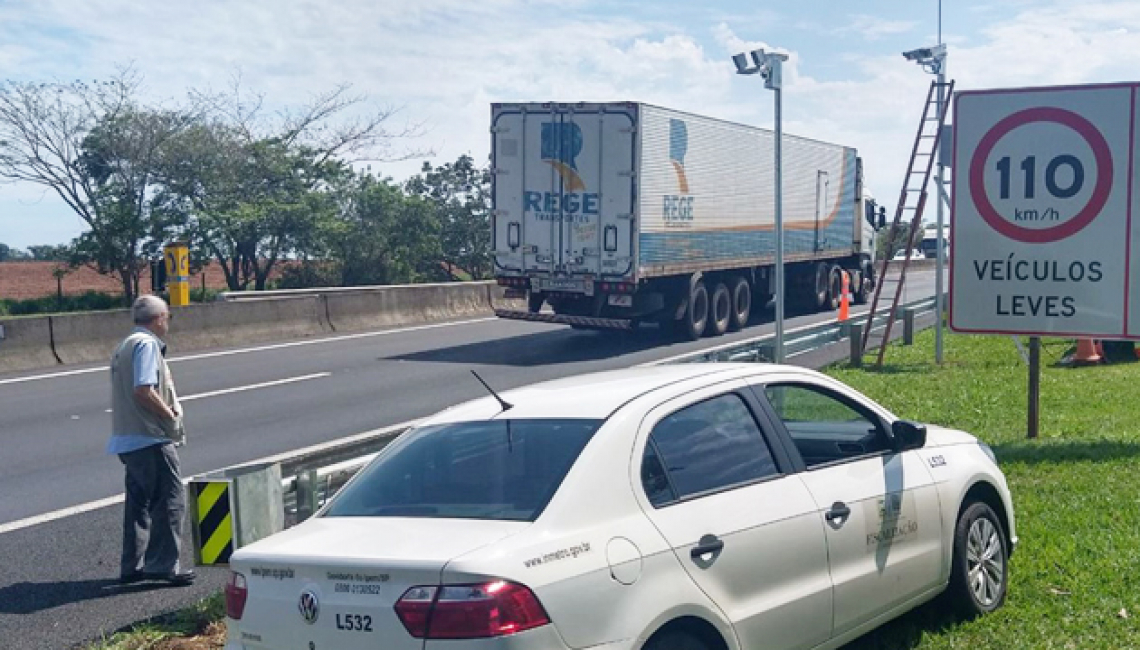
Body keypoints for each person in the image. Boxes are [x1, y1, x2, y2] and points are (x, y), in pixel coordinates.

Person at [108, 295, 194, 586]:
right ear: (158, 319)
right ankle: (162, 566)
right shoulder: (146, 345)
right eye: (166, 317)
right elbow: (143, 390)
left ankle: (132, 565)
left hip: (127, 438)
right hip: (149, 437)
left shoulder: (124, 344)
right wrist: (168, 413)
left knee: (138, 504)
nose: (167, 322)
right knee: (170, 500)